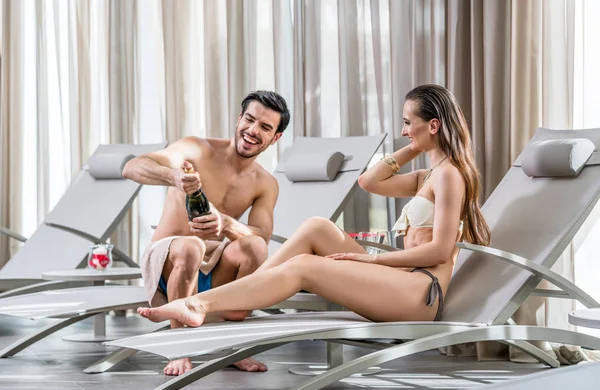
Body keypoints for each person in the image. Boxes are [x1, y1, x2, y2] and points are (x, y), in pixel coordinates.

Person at [137, 84, 491, 338]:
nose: (402, 130)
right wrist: (415, 147)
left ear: (433, 125)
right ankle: (235, 300)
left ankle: (198, 305)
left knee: (305, 267)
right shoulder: (429, 174)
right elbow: (369, 181)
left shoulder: (450, 176)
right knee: (317, 227)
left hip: (418, 293)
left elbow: (441, 251)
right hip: (402, 281)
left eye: (407, 122)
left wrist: (371, 261)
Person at [122, 90, 290, 376]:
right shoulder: (197, 149)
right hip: (167, 259)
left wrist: (225, 224)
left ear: (275, 137)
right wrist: (173, 176)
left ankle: (231, 345)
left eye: (264, 127)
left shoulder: (266, 183)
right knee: (191, 246)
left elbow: (260, 236)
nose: (252, 131)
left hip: (210, 267)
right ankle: (179, 345)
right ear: (239, 119)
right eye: (249, 120)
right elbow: (132, 167)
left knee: (256, 248)